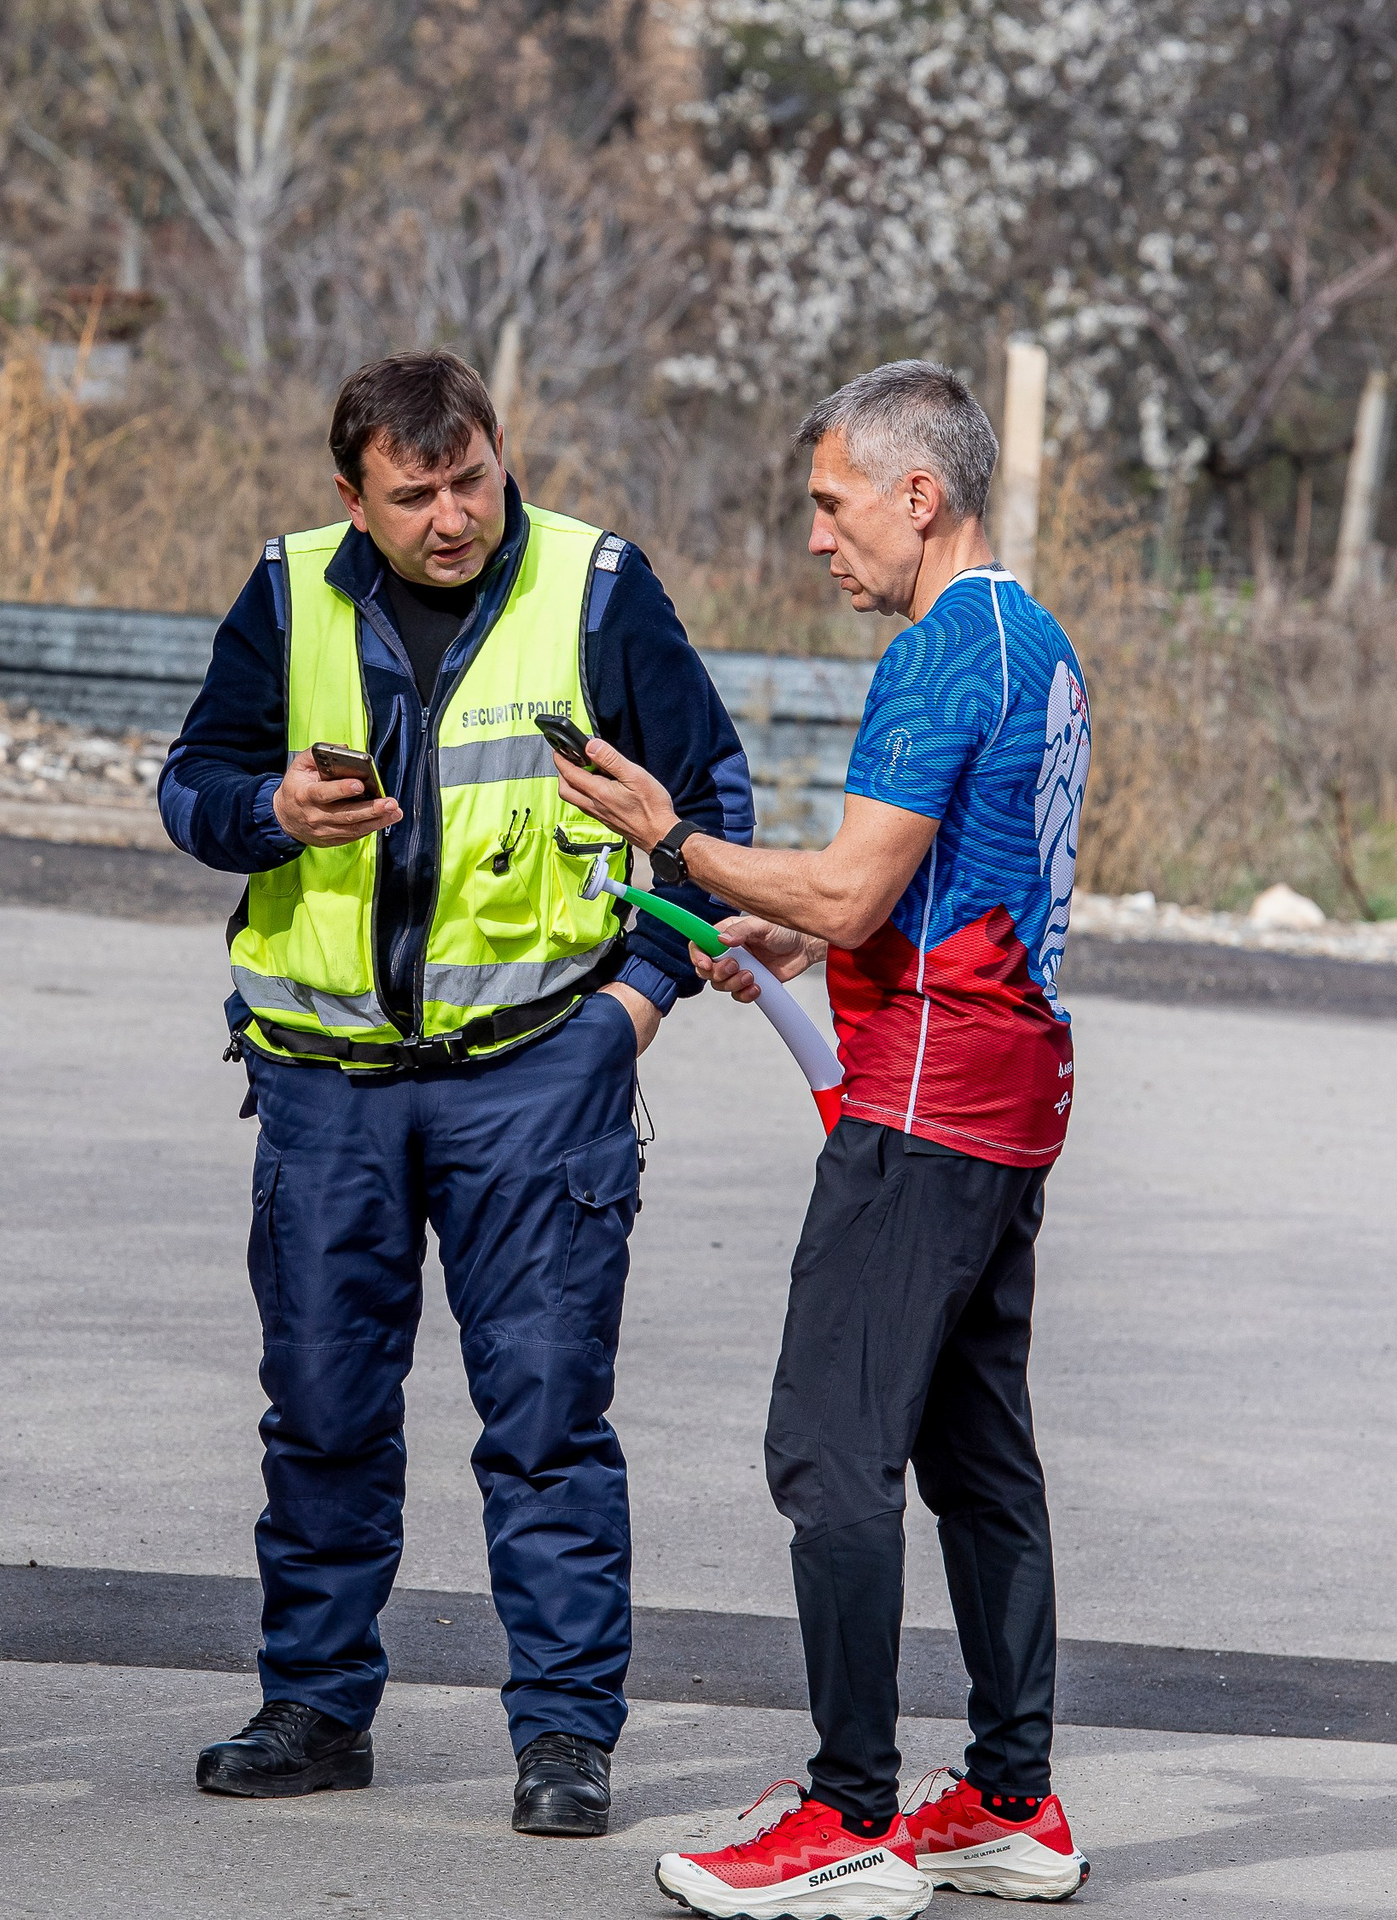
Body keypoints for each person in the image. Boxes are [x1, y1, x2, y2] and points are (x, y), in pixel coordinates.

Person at [160, 349, 753, 1837]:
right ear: (351, 495)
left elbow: (708, 814)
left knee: (547, 1424)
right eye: (415, 494)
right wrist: (272, 810)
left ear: (501, 453)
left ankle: (563, 1737)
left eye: (473, 481)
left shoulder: (598, 589)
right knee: (322, 1415)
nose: (452, 518)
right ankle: (315, 1709)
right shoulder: (288, 590)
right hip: (327, 1085)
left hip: (539, 1079)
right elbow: (188, 789)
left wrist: (633, 1007)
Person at [551, 361, 1093, 1919]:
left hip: (922, 1115)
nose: (815, 536)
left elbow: (857, 886)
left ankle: (847, 1817)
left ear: (919, 496)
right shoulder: (1036, 641)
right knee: (976, 1453)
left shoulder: (937, 653)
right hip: (1005, 1100)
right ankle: (1010, 1801)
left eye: (832, 503)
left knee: (830, 1448)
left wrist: (676, 839)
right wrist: (801, 939)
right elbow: (932, 883)